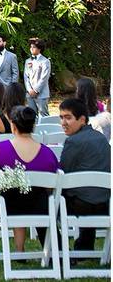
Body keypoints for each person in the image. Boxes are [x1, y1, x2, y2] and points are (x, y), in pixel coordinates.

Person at [0, 106, 59, 264]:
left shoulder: (0, 149)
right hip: (38, 208)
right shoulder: (47, 153)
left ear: (13, 125)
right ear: (33, 126)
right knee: (20, 196)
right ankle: (19, 251)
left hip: (7, 206)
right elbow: (50, 188)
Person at [59, 98, 111, 252]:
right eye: (61, 118)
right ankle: (84, 247)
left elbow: (63, 173)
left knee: (47, 200)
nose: (63, 123)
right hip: (106, 203)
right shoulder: (101, 138)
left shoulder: (74, 142)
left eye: (68, 117)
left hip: (81, 205)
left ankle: (59, 251)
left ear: (82, 119)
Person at [23, 38, 51, 117]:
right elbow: (26, 77)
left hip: (42, 93)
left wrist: (35, 90)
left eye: (34, 47)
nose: (31, 48)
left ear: (40, 49)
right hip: (30, 94)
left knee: (44, 115)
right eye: (31, 47)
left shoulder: (45, 61)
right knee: (31, 116)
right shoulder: (28, 61)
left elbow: (44, 78)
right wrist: (29, 90)